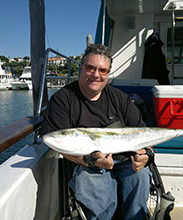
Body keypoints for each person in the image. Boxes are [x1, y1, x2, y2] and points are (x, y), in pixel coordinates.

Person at [40, 44, 153, 220]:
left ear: (108, 74)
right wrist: (90, 161)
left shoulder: (120, 98)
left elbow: (143, 134)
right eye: (91, 68)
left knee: (141, 176)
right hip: (86, 164)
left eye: (103, 70)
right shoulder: (63, 100)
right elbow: (58, 143)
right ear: (81, 68)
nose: (96, 75)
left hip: (125, 159)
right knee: (97, 188)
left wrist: (147, 154)